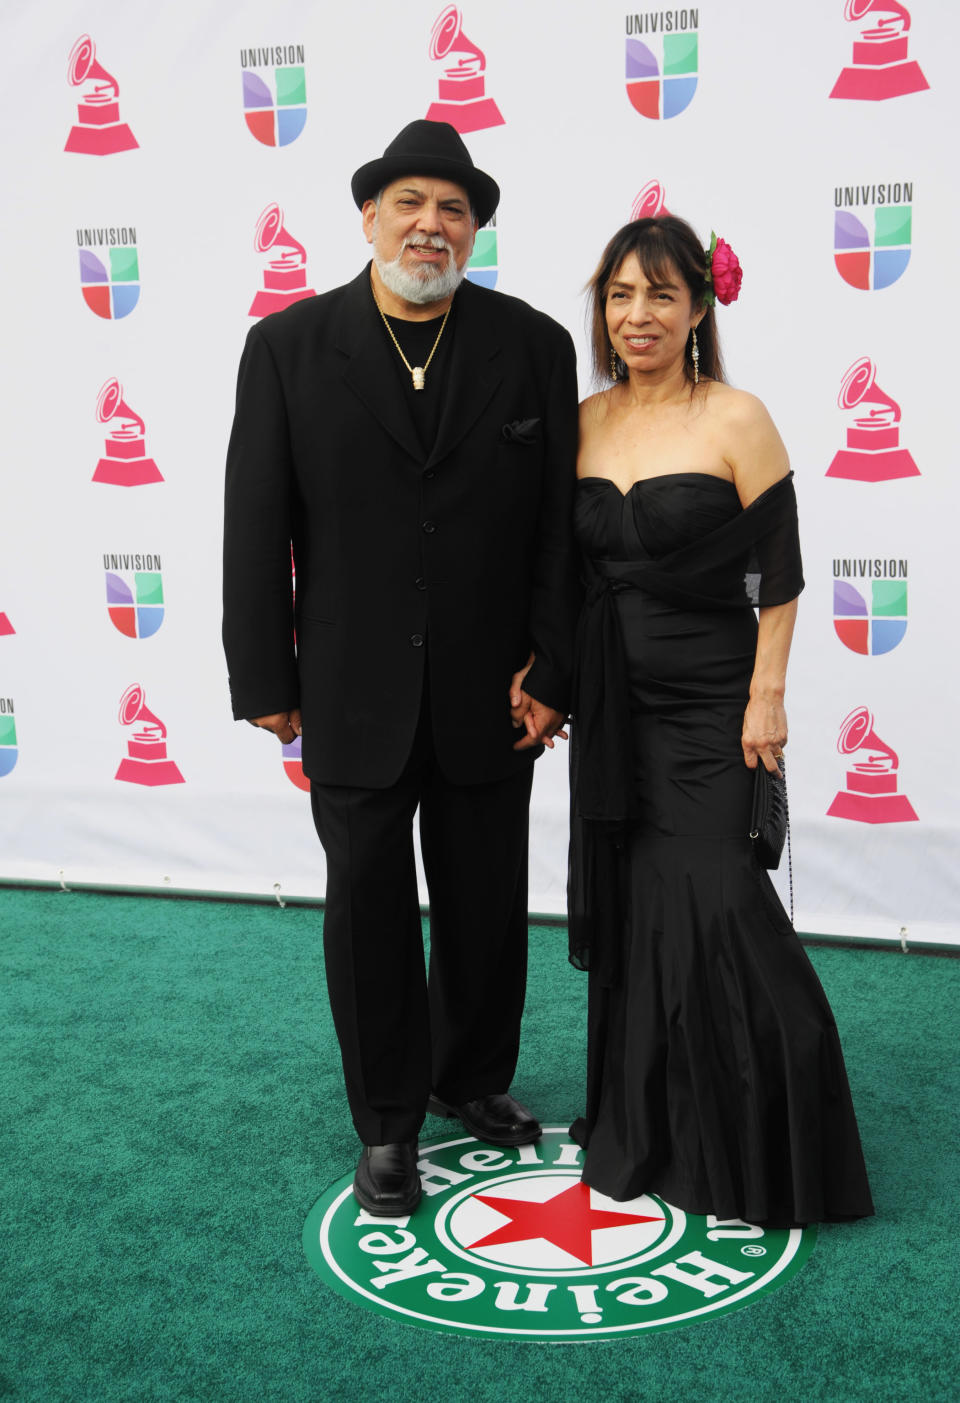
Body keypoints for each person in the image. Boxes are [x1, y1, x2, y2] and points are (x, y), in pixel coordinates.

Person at [222, 120, 579, 1217]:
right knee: (367, 909)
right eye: (412, 202)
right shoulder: (288, 346)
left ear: (475, 230)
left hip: (495, 689)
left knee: (485, 901)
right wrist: (264, 680)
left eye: (455, 208)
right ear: (370, 215)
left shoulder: (535, 346)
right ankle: (386, 1119)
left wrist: (555, 669)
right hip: (348, 687)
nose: (432, 224)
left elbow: (558, 531)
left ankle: (469, 1076)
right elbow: (254, 523)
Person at [567, 215, 874, 1224]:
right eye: (620, 294)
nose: (638, 314)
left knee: (722, 898)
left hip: (711, 700)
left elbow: (779, 574)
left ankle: (778, 1141)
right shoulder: (584, 419)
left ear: (699, 306)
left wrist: (766, 695)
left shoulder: (737, 416)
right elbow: (565, 574)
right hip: (617, 710)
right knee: (641, 904)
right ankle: (655, 1125)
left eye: (660, 294)